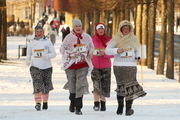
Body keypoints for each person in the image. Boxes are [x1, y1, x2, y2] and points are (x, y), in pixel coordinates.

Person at [105, 20, 146, 116]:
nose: (126, 30)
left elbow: (137, 50)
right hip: (118, 66)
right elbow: (107, 50)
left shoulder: (134, 38)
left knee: (129, 86)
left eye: (127, 28)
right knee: (121, 86)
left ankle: (128, 108)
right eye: (124, 28)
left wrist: (138, 56)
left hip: (130, 66)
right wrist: (117, 50)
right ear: (120, 29)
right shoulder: (116, 39)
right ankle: (120, 106)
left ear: (130, 29)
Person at [60, 19, 94, 115]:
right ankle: (72, 101)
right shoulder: (68, 37)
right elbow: (62, 49)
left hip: (83, 64)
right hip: (71, 64)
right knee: (72, 84)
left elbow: (92, 47)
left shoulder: (87, 37)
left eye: (79, 26)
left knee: (80, 84)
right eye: (76, 26)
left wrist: (90, 53)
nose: (78, 28)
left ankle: (78, 107)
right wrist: (69, 54)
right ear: (73, 27)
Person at [26, 26, 56, 111]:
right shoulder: (32, 42)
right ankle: (38, 103)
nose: (39, 33)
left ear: (43, 32)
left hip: (47, 66)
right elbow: (28, 54)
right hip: (35, 66)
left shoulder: (47, 41)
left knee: (46, 85)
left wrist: (48, 56)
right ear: (35, 32)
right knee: (37, 84)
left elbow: (53, 53)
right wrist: (28, 60)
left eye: (41, 31)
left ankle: (45, 102)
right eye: (37, 31)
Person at [91, 23, 114, 111]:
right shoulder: (92, 40)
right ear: (96, 30)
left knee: (104, 86)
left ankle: (103, 103)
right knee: (96, 85)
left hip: (106, 66)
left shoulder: (109, 40)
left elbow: (113, 54)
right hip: (95, 66)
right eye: (99, 29)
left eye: (102, 29)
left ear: (104, 30)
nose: (100, 31)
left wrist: (104, 54)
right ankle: (96, 103)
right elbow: (88, 51)